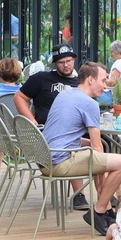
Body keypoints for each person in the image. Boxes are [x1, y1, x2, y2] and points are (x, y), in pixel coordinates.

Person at [41, 61, 121, 235]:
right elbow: (98, 148)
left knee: (96, 150)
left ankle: (105, 208)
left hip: (46, 158)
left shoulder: (65, 95)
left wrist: (101, 182)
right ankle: (98, 212)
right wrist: (102, 184)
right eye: (103, 81)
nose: (105, 86)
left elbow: (63, 134)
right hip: (60, 161)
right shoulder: (89, 103)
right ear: (90, 79)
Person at [16, 44, 84, 207]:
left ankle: (107, 194)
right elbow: (19, 97)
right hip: (49, 135)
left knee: (105, 143)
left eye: (68, 60)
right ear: (55, 63)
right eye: (61, 62)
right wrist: (31, 121)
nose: (66, 65)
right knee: (74, 143)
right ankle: (79, 195)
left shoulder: (79, 83)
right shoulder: (41, 79)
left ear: (74, 60)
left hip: (78, 130)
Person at [99, 40, 121, 106]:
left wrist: (102, 77)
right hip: (120, 97)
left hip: (110, 95)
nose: (111, 54)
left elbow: (111, 83)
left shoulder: (118, 63)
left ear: (116, 51)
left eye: (112, 51)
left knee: (89, 94)